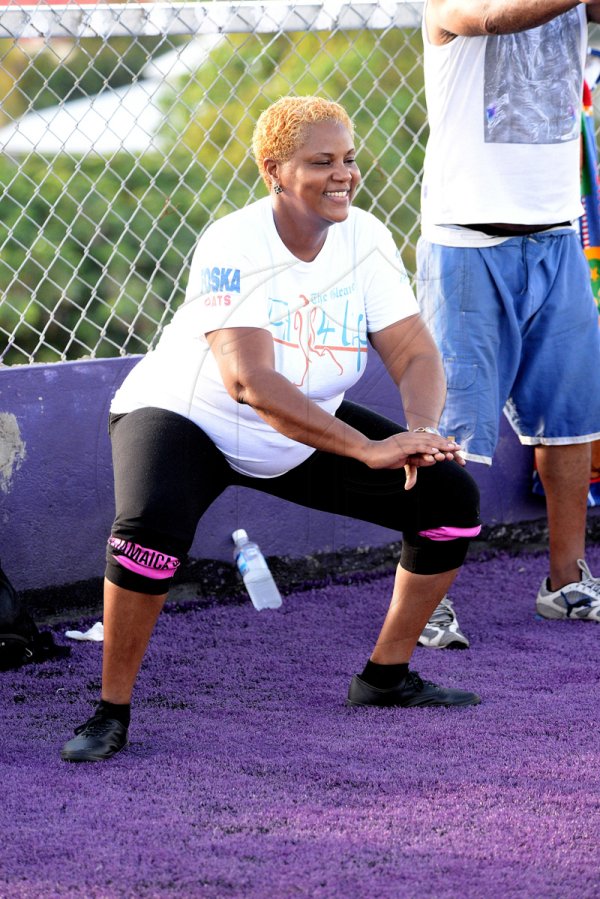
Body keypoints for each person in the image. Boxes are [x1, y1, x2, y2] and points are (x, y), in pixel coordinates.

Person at [60, 96, 482, 762]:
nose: (343, 174)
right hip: (186, 414)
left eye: (348, 159)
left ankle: (385, 677)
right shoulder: (234, 241)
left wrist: (420, 432)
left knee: (449, 499)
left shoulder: (365, 237)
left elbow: (413, 351)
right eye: (320, 162)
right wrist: (369, 449)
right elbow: (248, 381)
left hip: (297, 425)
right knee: (147, 530)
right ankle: (111, 710)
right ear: (274, 171)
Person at [416, 0, 600, 651]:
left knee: (572, 417)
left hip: (555, 237)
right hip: (466, 244)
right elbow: (488, 18)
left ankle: (566, 581)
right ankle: (428, 598)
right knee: (451, 429)